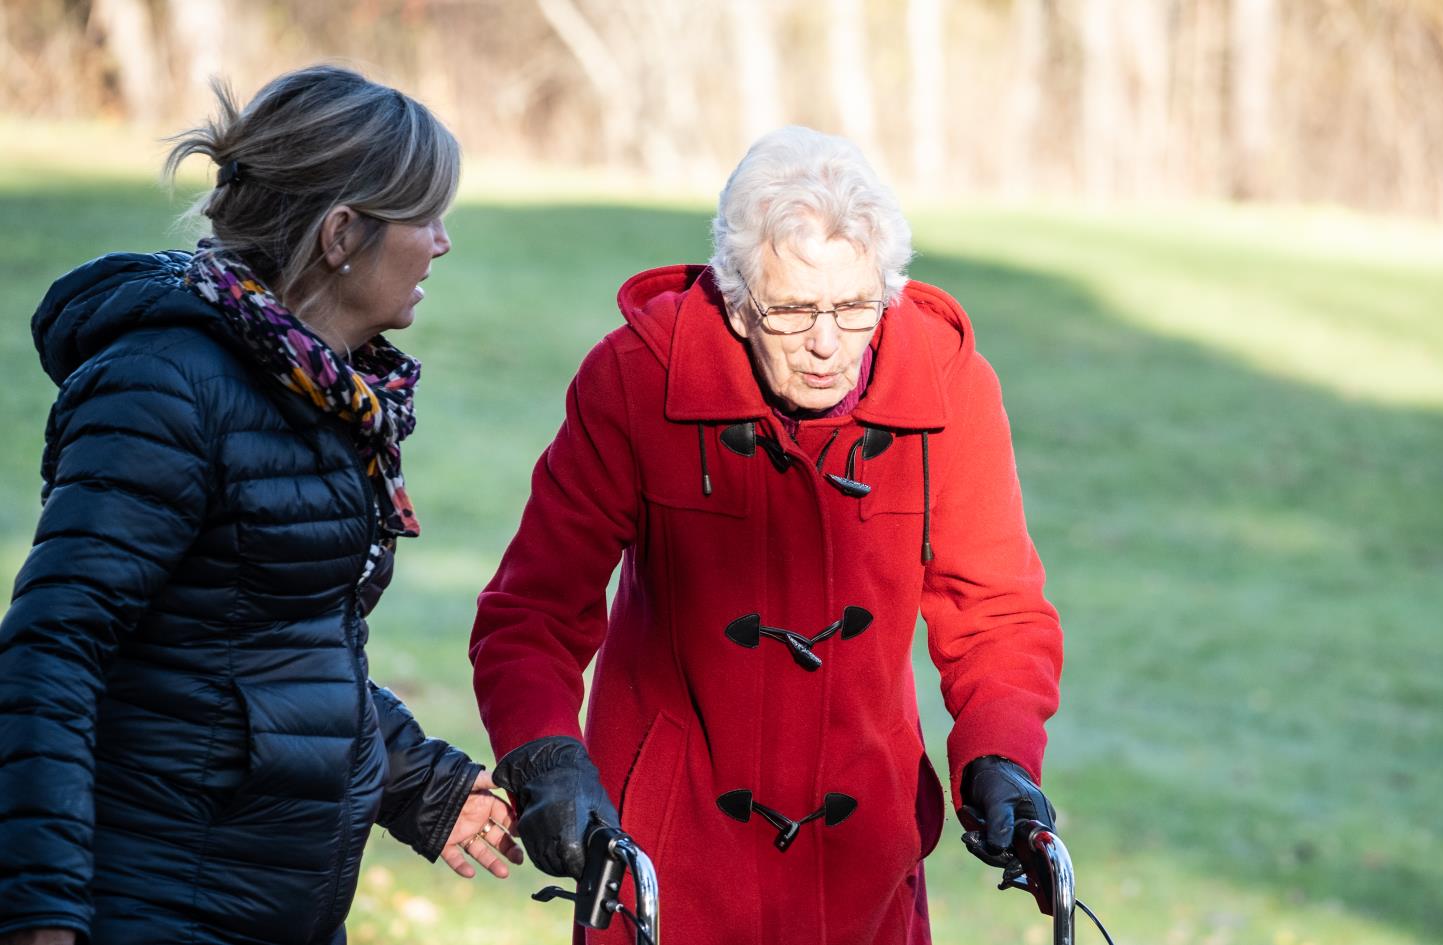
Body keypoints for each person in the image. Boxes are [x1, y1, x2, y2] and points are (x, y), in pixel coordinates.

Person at [469, 126, 1063, 943]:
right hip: (667, 867)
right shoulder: (637, 378)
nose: (827, 344)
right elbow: (531, 611)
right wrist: (545, 759)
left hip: (865, 865)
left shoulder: (949, 387)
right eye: (791, 311)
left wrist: (1000, 755)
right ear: (738, 298)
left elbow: (994, 612)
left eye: (855, 306)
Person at [0, 66, 521, 945]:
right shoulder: (166, 386)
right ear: (342, 233)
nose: (441, 241)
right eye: (424, 215)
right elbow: (53, 650)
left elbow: (274, 647)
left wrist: (425, 788)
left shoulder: (317, 391)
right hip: (155, 905)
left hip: (270, 910)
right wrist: (39, 912)